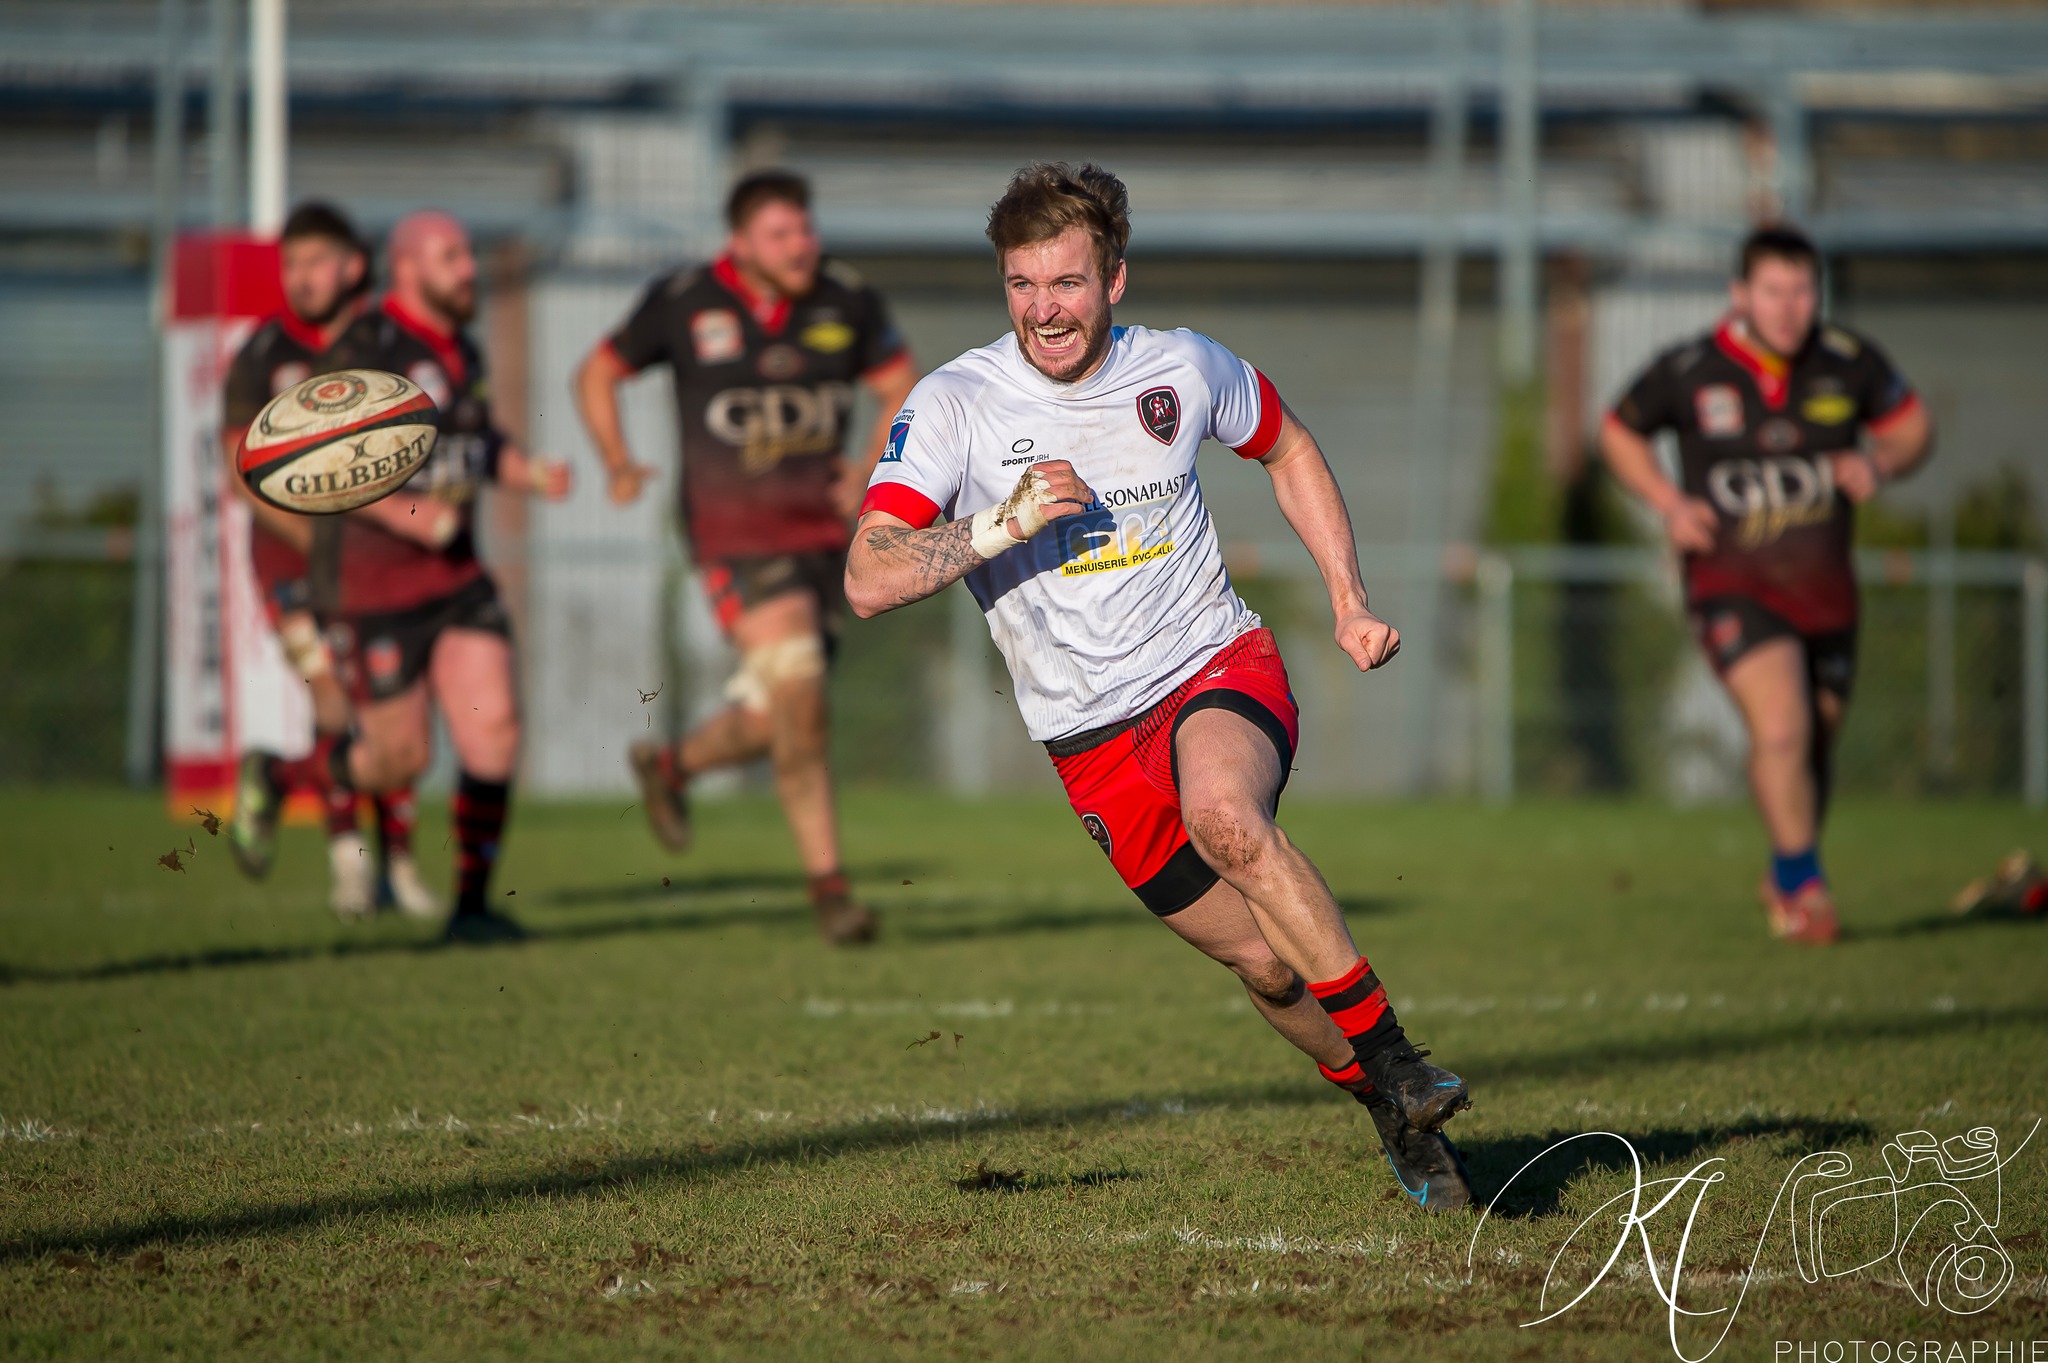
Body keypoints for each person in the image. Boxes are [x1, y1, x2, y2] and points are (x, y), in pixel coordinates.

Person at [843, 162, 1473, 1211]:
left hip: (1211, 666)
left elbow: (1289, 446)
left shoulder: (1179, 368)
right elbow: (868, 575)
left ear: (1114, 280)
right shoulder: (956, 403)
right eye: (1022, 284)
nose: (1045, 308)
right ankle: (1384, 1103)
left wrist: (1346, 598)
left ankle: (1402, 1060)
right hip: (1086, 738)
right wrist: (1004, 521)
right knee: (1267, 970)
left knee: (1224, 816)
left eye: (1067, 282)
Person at [574, 169, 917, 946]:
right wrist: (618, 461)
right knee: (798, 692)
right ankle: (832, 891)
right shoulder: (685, 301)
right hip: (731, 536)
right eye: (781, 235)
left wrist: (870, 464)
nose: (802, 246)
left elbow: (901, 381)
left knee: (776, 713)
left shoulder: (847, 301)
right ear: (740, 244)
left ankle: (671, 767)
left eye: (806, 229)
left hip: (826, 541)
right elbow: (596, 372)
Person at [1601, 224, 1932, 945]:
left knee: (1814, 742)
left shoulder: (1847, 361)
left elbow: (1913, 428)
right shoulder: (1690, 369)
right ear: (1740, 293)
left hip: (1827, 591)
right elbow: (1619, 431)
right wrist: (1667, 502)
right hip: (1731, 583)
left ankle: (1785, 867)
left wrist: (1879, 463)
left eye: (1802, 290)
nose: (1789, 307)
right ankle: (1804, 886)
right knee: (1781, 724)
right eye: (1773, 291)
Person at [318, 210, 571, 942]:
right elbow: (320, 464)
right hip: (377, 586)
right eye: (452, 256)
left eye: (466, 254)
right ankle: (287, 776)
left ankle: (471, 906)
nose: (468, 268)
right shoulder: (365, 348)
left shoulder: (462, 345)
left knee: (495, 733)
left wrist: (532, 473)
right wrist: (409, 514)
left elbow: (477, 441)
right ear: (407, 266)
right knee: (401, 756)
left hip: (457, 578)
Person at [221, 201, 434, 921]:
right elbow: (238, 465)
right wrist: (320, 541)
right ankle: (353, 867)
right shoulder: (263, 351)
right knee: (334, 698)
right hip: (289, 559)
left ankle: (384, 854)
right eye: (291, 264)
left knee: (398, 710)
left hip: (382, 560)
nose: (300, 277)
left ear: (352, 264)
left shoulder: (391, 344)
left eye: (315, 261)